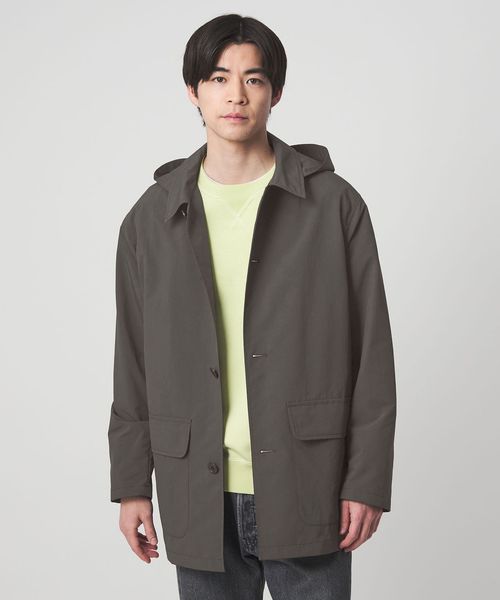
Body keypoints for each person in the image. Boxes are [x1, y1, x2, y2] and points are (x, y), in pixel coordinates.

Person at [108, 13, 397, 600]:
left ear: (276, 92)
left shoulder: (333, 205)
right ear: (193, 91)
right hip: (198, 489)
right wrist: (132, 483)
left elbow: (373, 350)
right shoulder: (151, 218)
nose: (236, 95)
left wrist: (366, 480)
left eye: (254, 79)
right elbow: (133, 360)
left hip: (307, 482)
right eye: (218, 78)